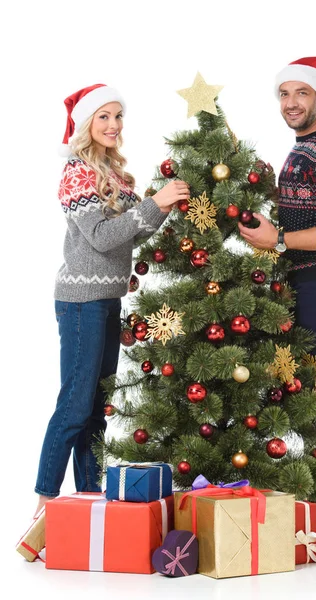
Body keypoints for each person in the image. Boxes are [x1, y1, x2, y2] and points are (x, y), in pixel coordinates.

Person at [33, 84, 190, 518]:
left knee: (96, 407)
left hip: (108, 299)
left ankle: (89, 497)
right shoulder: (77, 173)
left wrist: (163, 205)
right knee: (75, 404)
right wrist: (152, 205)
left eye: (118, 116)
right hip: (81, 301)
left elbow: (136, 233)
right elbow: (101, 239)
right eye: (103, 116)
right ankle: (45, 501)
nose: (113, 125)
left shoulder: (115, 174)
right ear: (86, 123)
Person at [239, 57, 316, 523]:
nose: (291, 103)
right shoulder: (302, 147)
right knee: (304, 389)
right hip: (297, 281)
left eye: (301, 93)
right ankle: (315, 491)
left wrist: (281, 240)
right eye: (284, 94)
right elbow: (302, 209)